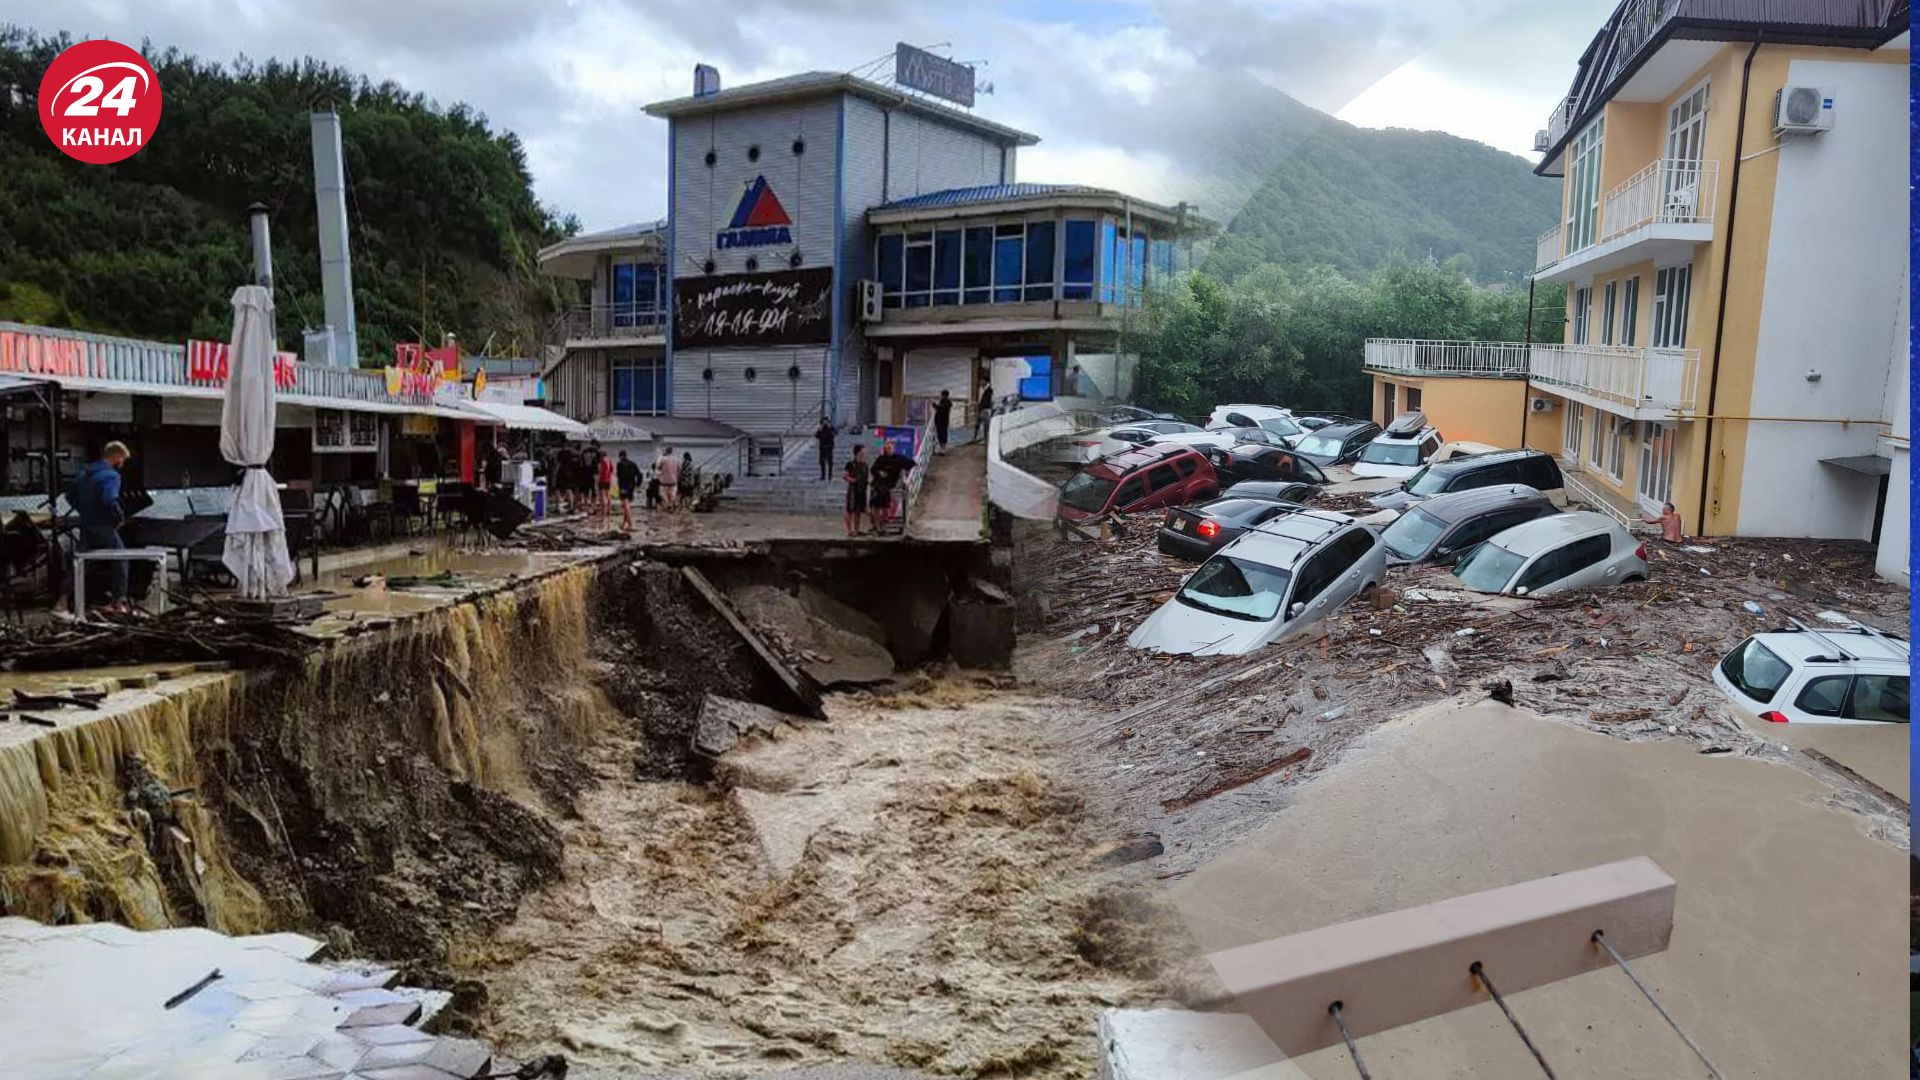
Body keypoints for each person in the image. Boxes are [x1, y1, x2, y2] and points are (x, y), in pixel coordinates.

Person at [68, 441, 130, 610]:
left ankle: (61, 603)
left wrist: (84, 510)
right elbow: (110, 499)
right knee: (121, 558)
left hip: (86, 524)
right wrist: (119, 518)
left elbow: (70, 496)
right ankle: (118, 602)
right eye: (122, 459)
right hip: (104, 525)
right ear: (116, 456)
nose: (122, 464)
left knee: (79, 562)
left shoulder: (84, 473)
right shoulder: (111, 476)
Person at [869, 441, 915, 531]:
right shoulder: (880, 458)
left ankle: (883, 525)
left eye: (889, 448)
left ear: (893, 449)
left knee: (884, 498)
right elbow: (873, 469)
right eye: (886, 448)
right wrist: (879, 473)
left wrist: (906, 471)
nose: (888, 450)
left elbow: (911, 463)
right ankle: (878, 525)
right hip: (879, 482)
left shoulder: (898, 458)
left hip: (890, 483)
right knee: (876, 500)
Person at [843, 443, 870, 536]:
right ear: (858, 452)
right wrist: (853, 480)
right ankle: (850, 530)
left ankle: (857, 529)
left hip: (862, 490)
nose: (864, 453)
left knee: (858, 511)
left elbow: (866, 477)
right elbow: (845, 476)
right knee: (849, 510)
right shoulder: (850, 464)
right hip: (853, 490)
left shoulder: (865, 465)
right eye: (863, 451)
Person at [616, 450, 641, 532]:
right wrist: (638, 484)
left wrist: (620, 488)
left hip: (624, 486)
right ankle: (624, 522)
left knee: (625, 505)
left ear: (620, 456)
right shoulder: (633, 464)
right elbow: (640, 474)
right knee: (627, 504)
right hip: (631, 486)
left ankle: (630, 523)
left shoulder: (619, 464)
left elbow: (619, 476)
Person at [594, 445, 615, 521]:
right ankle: (609, 509)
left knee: (602, 496)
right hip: (608, 480)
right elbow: (612, 470)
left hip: (602, 480)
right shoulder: (609, 460)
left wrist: (598, 479)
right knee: (608, 494)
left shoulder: (602, 461)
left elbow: (601, 472)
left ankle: (604, 511)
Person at [657, 445, 681, 511]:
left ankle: (668, 504)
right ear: (672, 451)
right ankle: (671, 505)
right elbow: (679, 470)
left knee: (663, 494)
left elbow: (658, 467)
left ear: (666, 451)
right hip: (674, 481)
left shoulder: (662, 460)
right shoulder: (676, 460)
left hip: (664, 481)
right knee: (673, 494)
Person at [815, 416, 836, 481]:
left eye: (826, 421)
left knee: (830, 462)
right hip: (822, 447)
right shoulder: (821, 428)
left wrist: (829, 427)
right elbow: (817, 436)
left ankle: (830, 476)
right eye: (824, 421)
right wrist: (820, 429)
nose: (825, 423)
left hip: (829, 447)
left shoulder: (831, 428)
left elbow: (834, 434)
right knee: (822, 462)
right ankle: (823, 476)